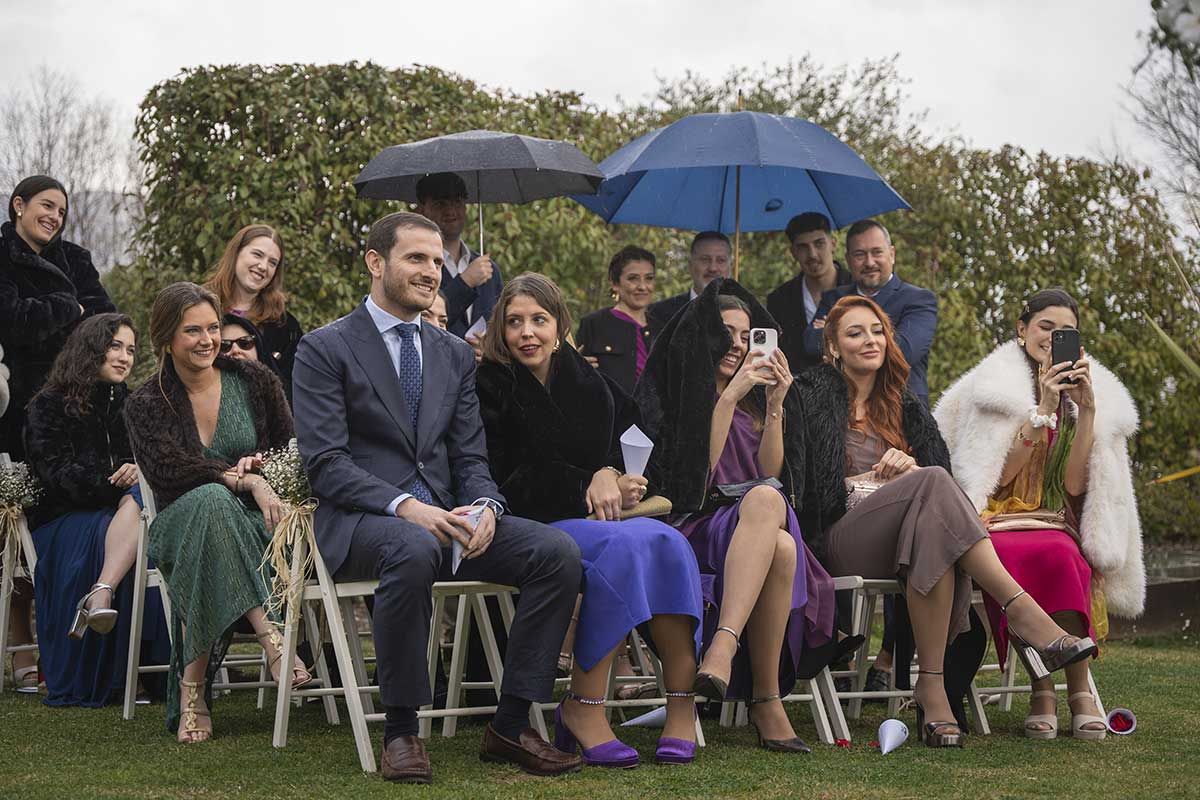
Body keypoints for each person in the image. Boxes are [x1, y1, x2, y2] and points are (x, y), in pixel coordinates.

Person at [292, 212, 583, 783]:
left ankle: (512, 722)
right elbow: (326, 466)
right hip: (364, 524)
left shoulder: (452, 353)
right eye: (416, 259)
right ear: (376, 264)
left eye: (434, 260)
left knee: (558, 553)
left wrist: (486, 508)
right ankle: (401, 729)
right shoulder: (325, 348)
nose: (431, 271)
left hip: (448, 521)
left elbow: (470, 458)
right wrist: (405, 505)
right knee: (412, 547)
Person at [794, 294, 1097, 747]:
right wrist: (871, 479)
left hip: (907, 540)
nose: (870, 340)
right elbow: (803, 487)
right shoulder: (809, 395)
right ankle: (1023, 612)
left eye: (878, 331)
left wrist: (910, 474)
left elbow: (944, 486)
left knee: (932, 521)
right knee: (931, 483)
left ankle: (932, 692)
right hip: (840, 539)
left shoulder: (906, 404)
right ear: (833, 347)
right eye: (855, 333)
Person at [476, 272, 703, 767]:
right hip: (535, 522)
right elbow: (506, 477)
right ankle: (584, 707)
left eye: (539, 319)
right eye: (514, 322)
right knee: (621, 548)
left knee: (667, 542)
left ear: (560, 325)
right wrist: (586, 483)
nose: (527, 333)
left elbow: (643, 443)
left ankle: (682, 704)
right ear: (500, 331)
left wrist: (625, 477)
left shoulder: (587, 379)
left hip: (608, 518)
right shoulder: (489, 386)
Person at [934, 288, 1144, 740]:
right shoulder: (990, 388)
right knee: (1021, 555)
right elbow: (999, 479)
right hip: (997, 520)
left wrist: (1085, 411)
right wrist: (1043, 408)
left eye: (1065, 331)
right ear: (1022, 329)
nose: (1053, 337)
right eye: (1045, 327)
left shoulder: (1091, 393)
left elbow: (1072, 485)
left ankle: (1079, 690)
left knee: (1061, 554)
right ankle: (1042, 691)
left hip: (1057, 520)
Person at [636, 279, 836, 754]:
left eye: (748, 336)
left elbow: (770, 472)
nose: (737, 345)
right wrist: (726, 396)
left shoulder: (755, 398)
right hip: (702, 524)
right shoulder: (683, 395)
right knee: (779, 536)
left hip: (756, 520)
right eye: (726, 333)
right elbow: (694, 479)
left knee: (771, 507)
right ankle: (764, 697)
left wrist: (773, 406)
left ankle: (724, 653)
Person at [124, 282, 309, 744]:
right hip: (179, 521)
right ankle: (273, 638)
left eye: (212, 328)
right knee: (209, 505)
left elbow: (290, 448)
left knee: (214, 527)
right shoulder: (145, 403)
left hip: (258, 522)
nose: (208, 340)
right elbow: (169, 472)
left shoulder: (255, 380)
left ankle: (192, 694)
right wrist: (241, 478)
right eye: (193, 331)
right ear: (167, 338)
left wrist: (263, 464)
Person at [2, 174, 115, 691]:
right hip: (16, 406)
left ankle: (82, 643)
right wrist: (68, 310)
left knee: (82, 510)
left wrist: (72, 317)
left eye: (61, 210)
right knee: (16, 533)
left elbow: (105, 320)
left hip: (79, 402)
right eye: (46, 205)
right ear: (18, 205)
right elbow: (11, 320)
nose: (54, 216)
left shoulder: (76, 259)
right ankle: (22, 639)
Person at [23, 313, 170, 706]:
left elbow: (150, 461)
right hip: (61, 522)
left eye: (131, 349)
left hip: (122, 514)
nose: (124, 357)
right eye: (115, 346)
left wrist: (137, 472)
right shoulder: (48, 406)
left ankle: (101, 596)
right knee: (136, 519)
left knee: (143, 512)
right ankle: (122, 670)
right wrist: (115, 480)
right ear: (90, 348)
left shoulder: (130, 403)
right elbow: (56, 475)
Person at [802, 219, 937, 405]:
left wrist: (833, 331)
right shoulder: (834, 298)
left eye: (877, 252)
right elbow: (810, 343)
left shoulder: (918, 299)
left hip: (902, 410)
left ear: (892, 254)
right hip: (844, 409)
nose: (869, 262)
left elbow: (905, 350)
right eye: (860, 255)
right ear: (849, 260)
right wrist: (886, 333)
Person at [203, 224, 303, 404]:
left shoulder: (284, 326)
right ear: (236, 253)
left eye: (273, 262)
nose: (263, 266)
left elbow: (293, 390)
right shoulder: (201, 308)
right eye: (257, 254)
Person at [414, 172, 503, 344]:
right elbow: (421, 319)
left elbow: (502, 325)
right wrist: (465, 282)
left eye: (457, 202)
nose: (450, 211)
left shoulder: (488, 269)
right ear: (422, 209)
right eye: (440, 203)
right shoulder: (418, 266)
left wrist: (490, 348)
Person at [767, 213, 852, 373]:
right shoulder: (779, 300)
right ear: (793, 252)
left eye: (819, 244)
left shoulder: (856, 290)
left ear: (833, 243)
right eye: (803, 247)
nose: (812, 254)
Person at [576, 246, 657, 394]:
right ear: (615, 283)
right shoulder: (594, 325)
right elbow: (578, 379)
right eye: (633, 278)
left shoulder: (663, 327)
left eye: (649, 278)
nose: (643, 286)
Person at [645, 231, 731, 334]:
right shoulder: (657, 313)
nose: (713, 268)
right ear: (690, 265)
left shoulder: (747, 314)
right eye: (705, 259)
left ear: (730, 267)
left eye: (721, 260)